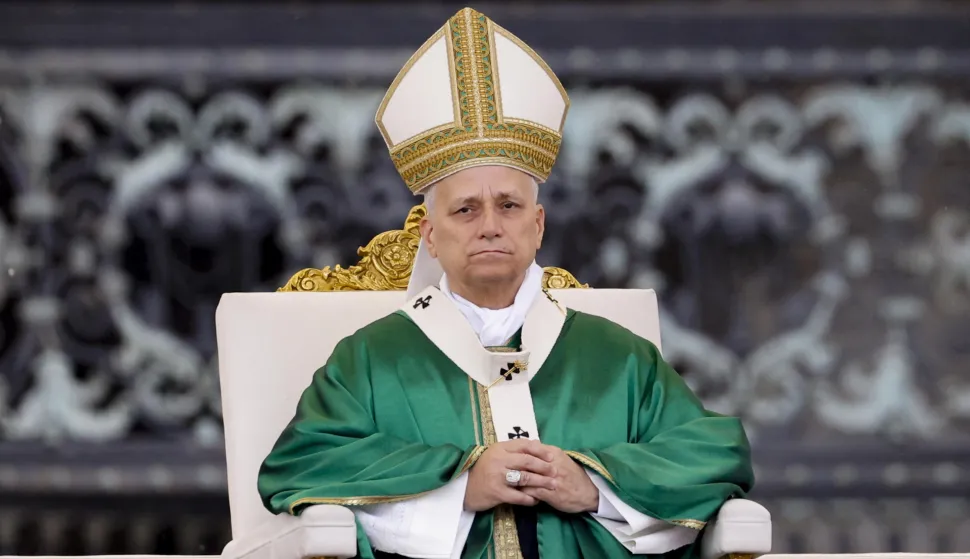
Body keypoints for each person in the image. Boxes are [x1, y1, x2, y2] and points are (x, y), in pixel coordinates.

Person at [257, 7, 754, 559]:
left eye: (509, 205)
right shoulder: (369, 361)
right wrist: (459, 483)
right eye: (465, 209)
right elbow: (300, 463)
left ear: (537, 226)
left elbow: (717, 451)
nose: (490, 225)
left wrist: (594, 485)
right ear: (429, 235)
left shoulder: (619, 358)